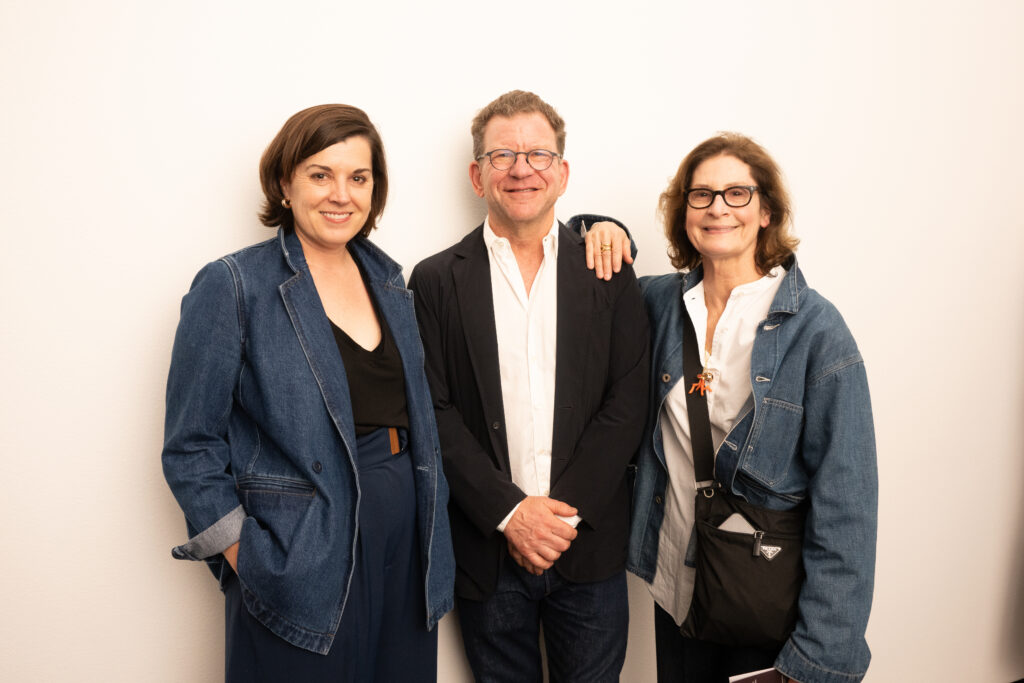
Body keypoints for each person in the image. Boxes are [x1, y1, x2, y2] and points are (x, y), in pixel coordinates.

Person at [161, 104, 455, 683]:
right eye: (320, 174)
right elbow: (190, 445)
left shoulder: (392, 284)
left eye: (359, 177)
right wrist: (251, 557)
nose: (340, 194)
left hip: (410, 542)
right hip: (303, 548)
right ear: (284, 184)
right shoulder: (235, 284)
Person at [408, 90, 650, 683]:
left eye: (539, 155)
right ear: (477, 174)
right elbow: (433, 410)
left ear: (562, 174)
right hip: (486, 553)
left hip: (587, 548)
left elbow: (628, 402)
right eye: (503, 156)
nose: (521, 169)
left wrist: (556, 521)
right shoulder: (435, 279)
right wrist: (512, 514)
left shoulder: (608, 270)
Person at [627, 132, 878, 683]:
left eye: (737, 193)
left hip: (768, 609)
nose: (718, 207)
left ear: (766, 211)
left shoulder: (818, 332)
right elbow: (587, 268)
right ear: (684, 212)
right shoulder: (660, 304)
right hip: (676, 592)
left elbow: (848, 506)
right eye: (702, 194)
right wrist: (602, 228)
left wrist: (818, 656)